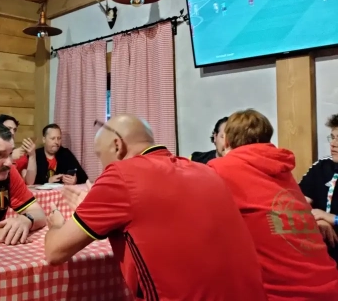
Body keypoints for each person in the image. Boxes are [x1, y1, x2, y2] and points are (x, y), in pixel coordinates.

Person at [44, 115, 267, 300]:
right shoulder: (206, 171)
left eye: (101, 157)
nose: (102, 166)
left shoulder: (121, 175)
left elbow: (55, 252)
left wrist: (56, 224)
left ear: (117, 146)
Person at [208, 109, 338, 299]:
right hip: (329, 282)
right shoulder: (281, 169)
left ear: (226, 140)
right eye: (333, 137)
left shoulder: (221, 169)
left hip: (284, 294)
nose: (333, 143)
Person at [300, 113, 338, 265]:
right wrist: (319, 220)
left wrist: (332, 218)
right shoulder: (321, 167)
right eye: (332, 138)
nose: (333, 144)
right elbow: (297, 205)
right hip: (322, 256)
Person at [0, 114, 37, 184]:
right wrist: (11, 157)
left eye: (14, 130)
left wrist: (32, 155)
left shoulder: (20, 155)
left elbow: (30, 182)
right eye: (8, 128)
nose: (12, 132)